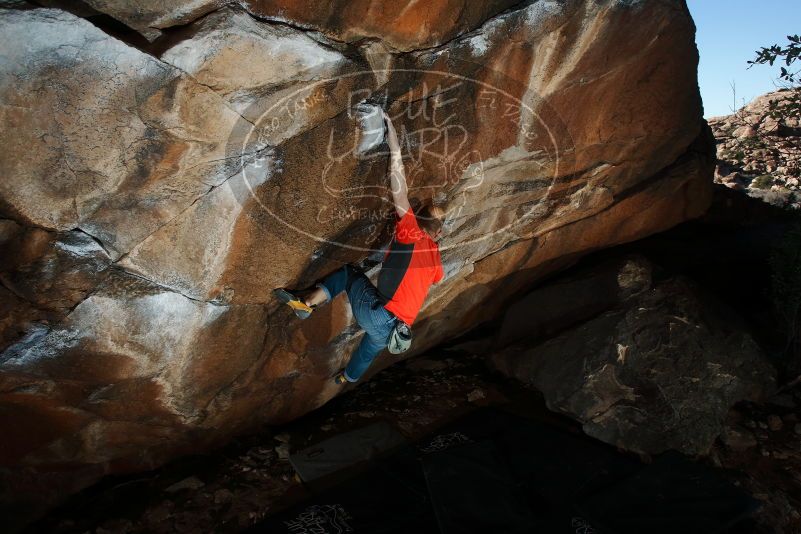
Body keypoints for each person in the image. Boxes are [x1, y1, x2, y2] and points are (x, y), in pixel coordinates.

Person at [274, 109, 445, 385]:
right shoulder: (435, 258)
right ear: (438, 234)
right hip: (395, 332)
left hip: (382, 316)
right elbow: (437, 278)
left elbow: (398, 186)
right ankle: (348, 377)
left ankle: (307, 304)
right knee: (370, 347)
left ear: (420, 219)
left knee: (349, 274)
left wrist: (395, 147)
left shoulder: (412, 231)